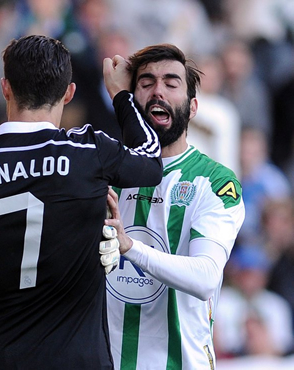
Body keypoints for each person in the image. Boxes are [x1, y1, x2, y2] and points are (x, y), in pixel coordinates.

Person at [0, 34, 162, 369]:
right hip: (78, 359)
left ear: (5, 88)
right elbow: (150, 160)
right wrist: (122, 97)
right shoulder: (88, 152)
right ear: (69, 93)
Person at [104, 44, 245, 370]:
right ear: (130, 99)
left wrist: (129, 248)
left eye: (171, 83)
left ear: (193, 106)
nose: (158, 92)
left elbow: (206, 277)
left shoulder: (214, 181)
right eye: (146, 83)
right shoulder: (104, 170)